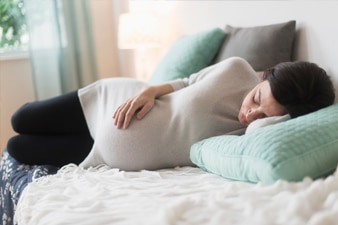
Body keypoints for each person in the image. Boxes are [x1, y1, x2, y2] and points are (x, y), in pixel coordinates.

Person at [7, 57, 335, 170]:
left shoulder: (253, 135)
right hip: (115, 99)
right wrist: (149, 91)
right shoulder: (236, 69)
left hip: (101, 156)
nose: (250, 114)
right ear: (265, 76)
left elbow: (261, 131)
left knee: (16, 148)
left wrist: (274, 116)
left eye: (265, 114)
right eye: (256, 98)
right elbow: (186, 81)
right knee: (20, 119)